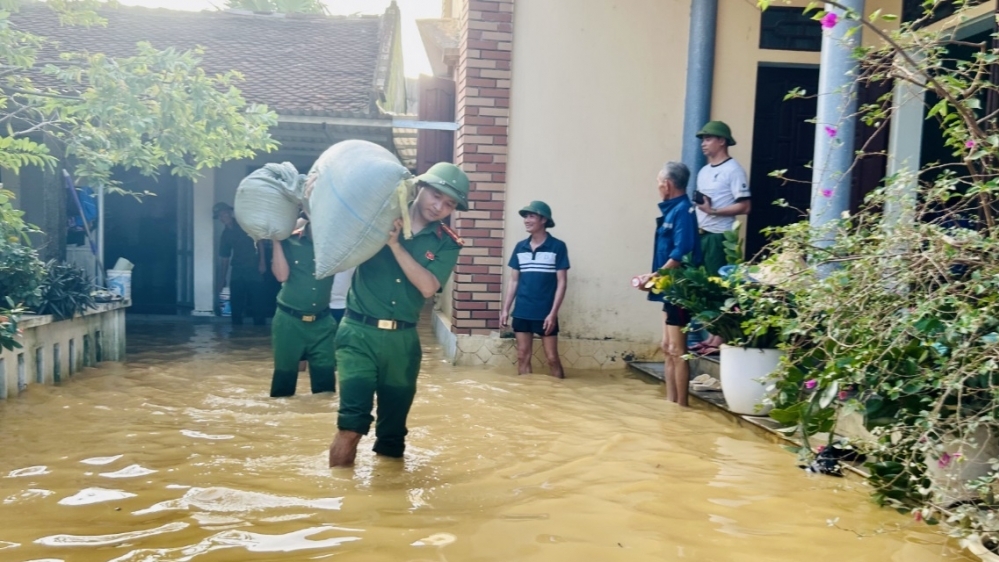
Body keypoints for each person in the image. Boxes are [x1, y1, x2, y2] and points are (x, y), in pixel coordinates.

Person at [328, 162, 469, 467]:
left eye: (449, 204)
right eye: (436, 196)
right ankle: (341, 501)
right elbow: (336, 225)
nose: (439, 207)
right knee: (351, 425)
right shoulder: (377, 217)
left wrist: (394, 245)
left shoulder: (447, 243)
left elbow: (428, 287)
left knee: (392, 438)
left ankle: (388, 507)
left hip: (403, 343)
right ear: (420, 188)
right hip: (358, 334)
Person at [636, 162, 701, 407]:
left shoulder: (683, 210)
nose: (657, 186)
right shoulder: (672, 210)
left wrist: (653, 276)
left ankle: (682, 406)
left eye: (658, 181)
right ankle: (670, 403)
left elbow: (681, 251)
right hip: (668, 288)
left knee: (677, 349)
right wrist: (654, 277)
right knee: (667, 347)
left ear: (668, 184)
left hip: (680, 289)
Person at [691, 121, 751, 355]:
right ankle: (711, 336)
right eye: (702, 139)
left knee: (721, 289)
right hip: (702, 236)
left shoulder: (733, 170)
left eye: (708, 139)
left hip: (720, 237)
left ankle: (720, 339)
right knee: (706, 288)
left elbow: (745, 206)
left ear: (722, 141)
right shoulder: (704, 171)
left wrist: (713, 211)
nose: (704, 144)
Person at [269, 206, 338, 398]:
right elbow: (281, 275)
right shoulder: (290, 240)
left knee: (326, 390)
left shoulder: (337, 243)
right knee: (283, 387)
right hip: (289, 322)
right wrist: (276, 240)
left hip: (323, 322)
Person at [500, 201, 569, 378]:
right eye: (525, 216)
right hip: (522, 311)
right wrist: (506, 310)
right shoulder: (520, 247)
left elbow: (562, 282)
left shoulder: (557, 246)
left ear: (543, 219)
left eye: (531, 216)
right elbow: (514, 281)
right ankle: (525, 396)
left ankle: (559, 396)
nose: (526, 220)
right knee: (522, 356)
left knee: (552, 358)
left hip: (545, 313)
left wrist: (553, 313)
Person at [214, 202, 265, 326]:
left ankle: (260, 331)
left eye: (224, 214)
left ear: (230, 213)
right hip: (237, 270)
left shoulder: (244, 225)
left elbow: (259, 241)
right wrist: (222, 279)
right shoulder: (225, 234)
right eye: (220, 216)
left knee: (257, 302)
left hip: (253, 267)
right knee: (236, 303)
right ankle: (236, 333)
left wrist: (262, 262)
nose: (223, 217)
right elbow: (225, 258)